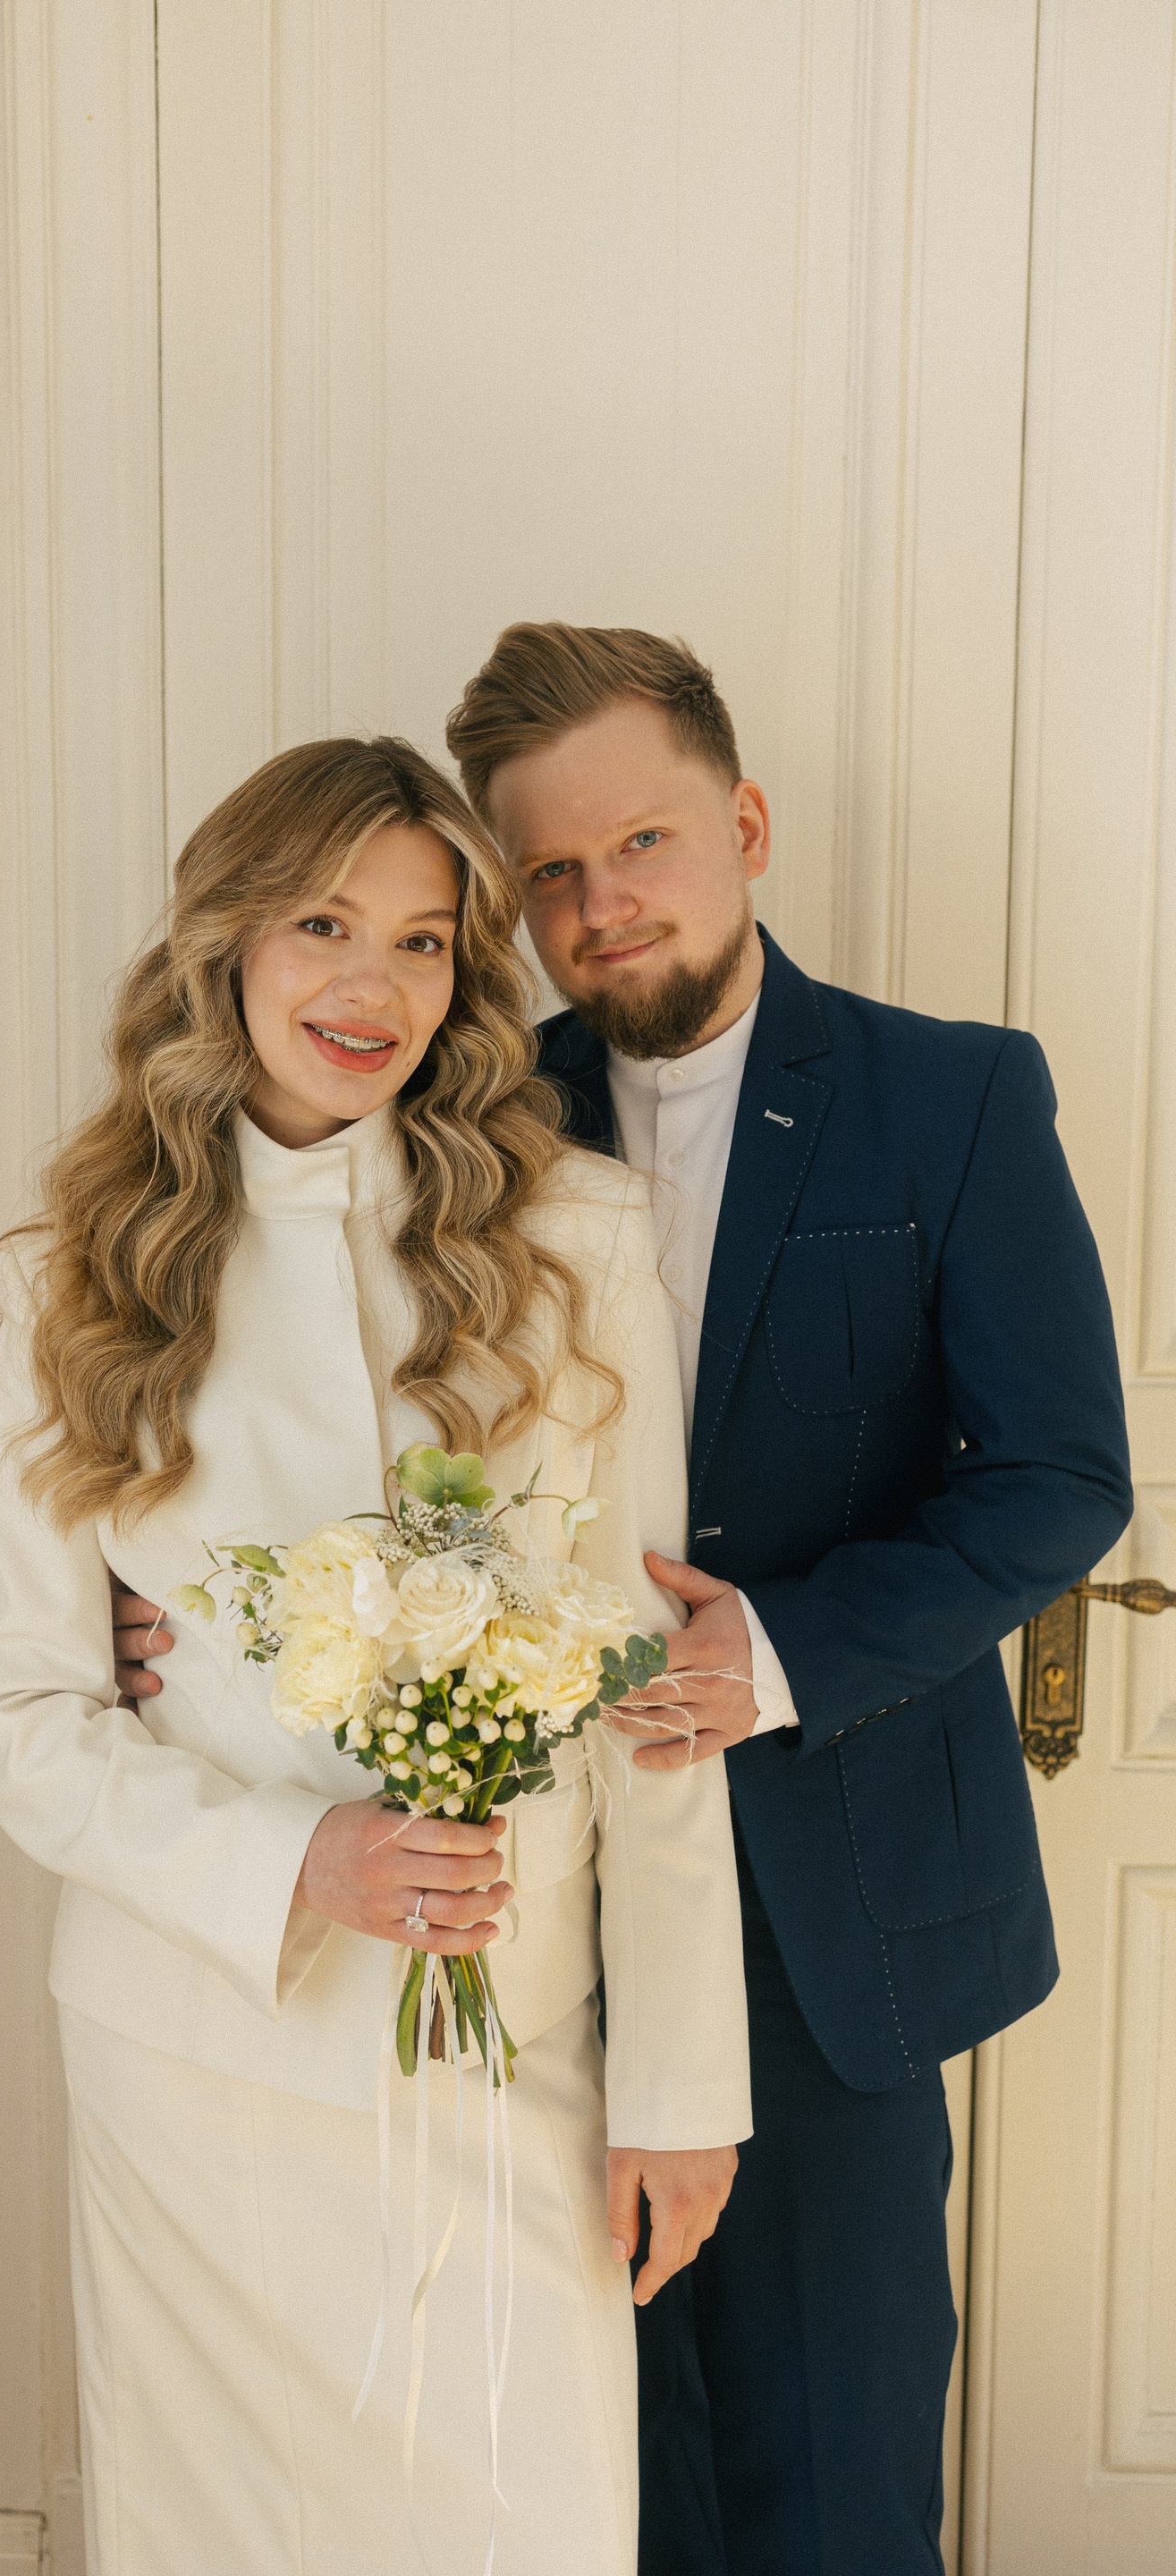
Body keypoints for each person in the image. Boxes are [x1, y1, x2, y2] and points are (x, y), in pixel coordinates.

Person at [0, 733, 752, 2576]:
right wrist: (297, 1859)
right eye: (323, 923)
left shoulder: (575, 1240)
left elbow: (650, 1682)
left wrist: (681, 2087)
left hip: (511, 2043)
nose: (370, 984)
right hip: (196, 2058)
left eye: (421, 940)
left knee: (534, 2524)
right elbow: (13, 1709)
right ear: (226, 940)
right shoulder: (68, 1276)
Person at [443, 625, 1134, 2575]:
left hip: (843, 1899)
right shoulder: (471, 1122)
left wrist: (774, 1651)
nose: (602, 904)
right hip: (539, 1905)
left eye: (642, 842)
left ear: (743, 826)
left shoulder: (952, 1097)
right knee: (590, 2467)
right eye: (551, 872)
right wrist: (178, 1622)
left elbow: (1063, 1478)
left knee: (833, 2472)